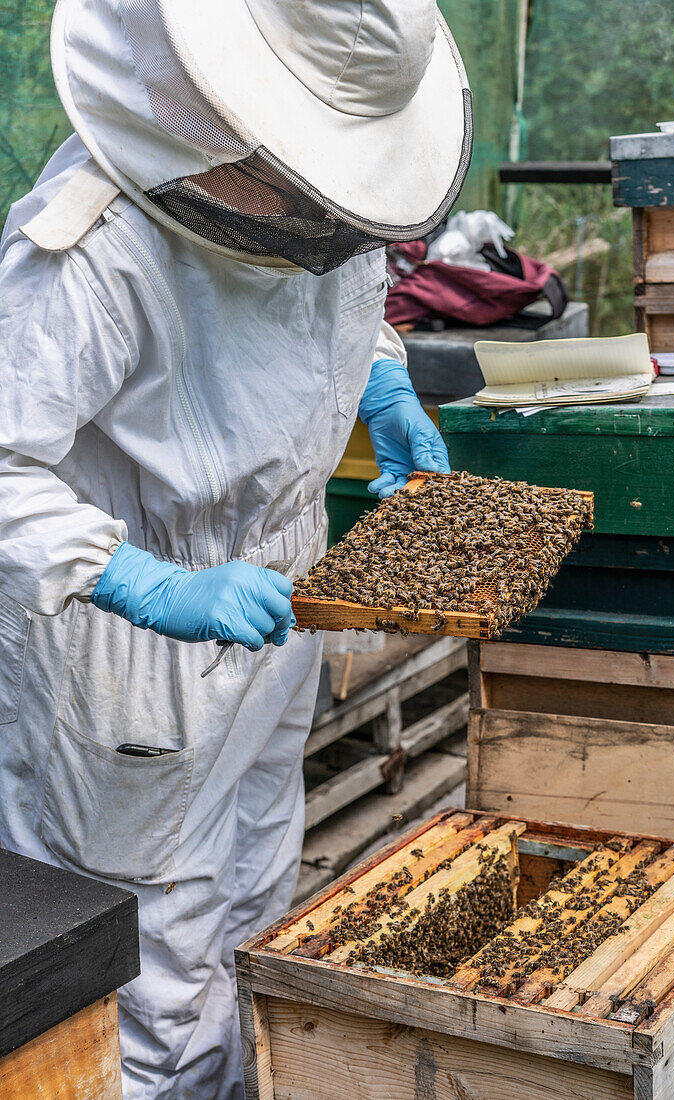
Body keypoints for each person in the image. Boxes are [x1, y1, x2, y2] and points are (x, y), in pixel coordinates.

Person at [0, 0, 471, 1095]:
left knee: (257, 880)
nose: (325, 205)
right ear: (223, 125)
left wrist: (383, 377)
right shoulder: (90, 245)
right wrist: (142, 579)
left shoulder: (308, 205)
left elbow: (329, 289)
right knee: (150, 958)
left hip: (275, 606)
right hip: (124, 650)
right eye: (309, 176)